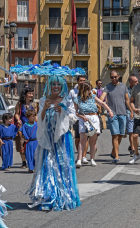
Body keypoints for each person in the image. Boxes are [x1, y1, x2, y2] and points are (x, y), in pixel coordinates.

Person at [27, 75, 81, 211]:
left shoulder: (67, 100)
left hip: (62, 139)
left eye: (58, 84)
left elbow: (74, 118)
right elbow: (40, 119)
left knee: (62, 167)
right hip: (47, 137)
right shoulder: (44, 100)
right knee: (47, 166)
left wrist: (63, 111)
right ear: (49, 86)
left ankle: (63, 197)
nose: (56, 86)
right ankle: (48, 197)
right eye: (53, 84)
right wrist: (45, 108)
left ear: (62, 85)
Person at [74, 82, 113, 168]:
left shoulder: (93, 97)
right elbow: (76, 113)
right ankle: (79, 160)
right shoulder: (77, 99)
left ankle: (92, 159)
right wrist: (82, 116)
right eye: (89, 90)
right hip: (83, 119)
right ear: (84, 90)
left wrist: (109, 111)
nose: (90, 91)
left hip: (94, 117)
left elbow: (102, 103)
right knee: (82, 141)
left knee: (93, 141)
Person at [100, 70, 133, 163]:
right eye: (112, 77)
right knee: (115, 135)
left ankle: (113, 151)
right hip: (112, 114)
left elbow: (127, 100)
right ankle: (116, 156)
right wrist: (99, 101)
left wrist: (131, 111)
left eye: (115, 77)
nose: (113, 79)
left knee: (121, 134)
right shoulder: (107, 87)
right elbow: (103, 97)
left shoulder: (123, 86)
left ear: (118, 76)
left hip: (122, 113)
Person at [14, 87, 36, 169]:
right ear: (25, 94)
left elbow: (36, 115)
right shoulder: (20, 104)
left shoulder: (33, 104)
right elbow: (16, 113)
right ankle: (24, 162)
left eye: (32, 93)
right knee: (22, 143)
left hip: (31, 126)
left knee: (32, 143)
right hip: (23, 126)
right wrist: (18, 120)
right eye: (30, 93)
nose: (31, 95)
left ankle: (32, 160)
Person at [69, 75, 87, 161]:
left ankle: (83, 156)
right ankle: (80, 153)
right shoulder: (73, 92)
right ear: (77, 81)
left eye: (84, 80)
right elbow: (69, 104)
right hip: (76, 117)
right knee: (77, 138)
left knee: (85, 137)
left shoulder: (88, 91)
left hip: (85, 117)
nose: (82, 82)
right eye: (81, 80)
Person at [126, 75, 138, 157]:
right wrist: (131, 111)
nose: (137, 82)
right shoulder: (126, 91)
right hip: (129, 112)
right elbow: (127, 103)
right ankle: (133, 149)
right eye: (135, 81)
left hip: (138, 112)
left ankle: (132, 146)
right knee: (131, 131)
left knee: (136, 133)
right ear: (131, 82)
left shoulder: (138, 89)